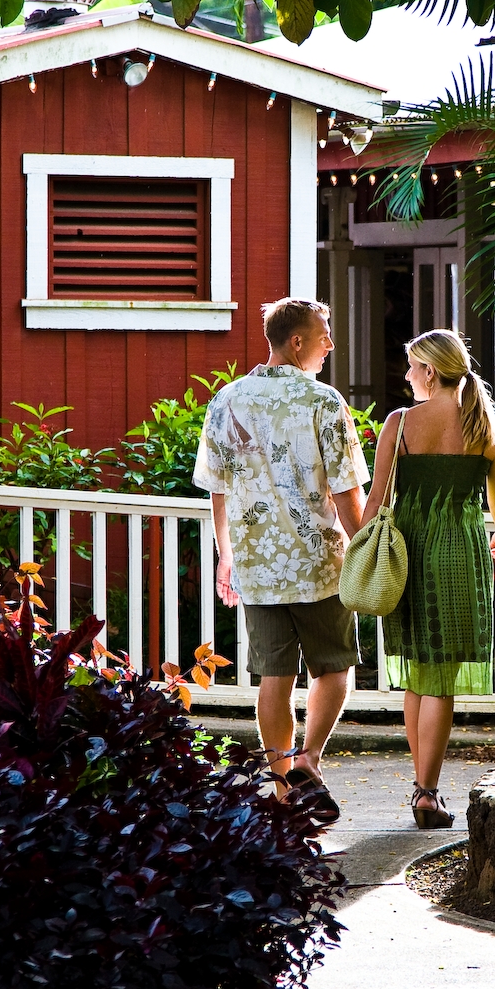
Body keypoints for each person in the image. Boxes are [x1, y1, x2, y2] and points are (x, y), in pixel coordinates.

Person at [194, 298, 367, 825]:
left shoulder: (227, 401)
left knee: (274, 674)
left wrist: (227, 557)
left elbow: (217, 492)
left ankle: (280, 779)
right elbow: (346, 491)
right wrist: (367, 548)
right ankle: (309, 759)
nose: (330, 344)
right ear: (298, 342)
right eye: (325, 335)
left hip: (257, 564)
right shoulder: (324, 401)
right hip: (320, 562)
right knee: (334, 666)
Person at [358, 329, 495, 829]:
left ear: (429, 370)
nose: (406, 377)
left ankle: (421, 789)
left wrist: (359, 552)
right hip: (461, 552)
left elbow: (377, 499)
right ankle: (429, 793)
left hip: (411, 552)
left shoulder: (399, 425)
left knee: (417, 671)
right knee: (440, 675)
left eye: (410, 367)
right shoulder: (488, 429)